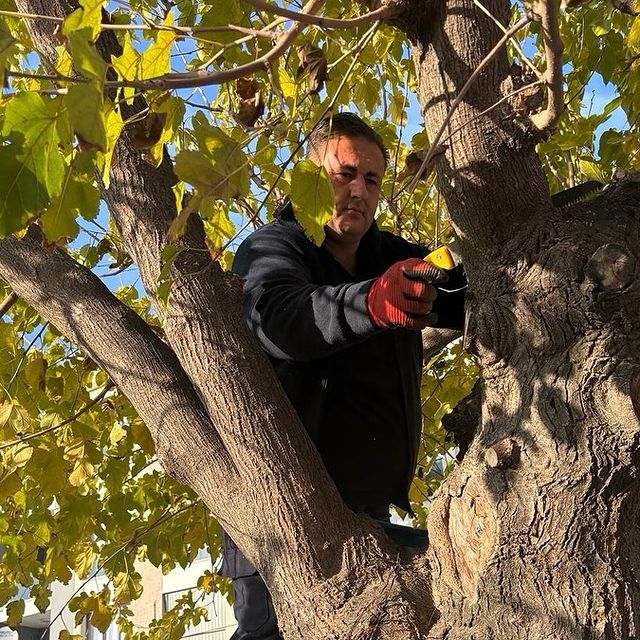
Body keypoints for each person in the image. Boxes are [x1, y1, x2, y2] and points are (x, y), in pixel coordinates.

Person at [222, 113, 466, 640]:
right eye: (344, 174)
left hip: (367, 515)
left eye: (372, 180)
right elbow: (282, 318)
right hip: (279, 524)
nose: (358, 190)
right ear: (308, 177)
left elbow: (469, 295)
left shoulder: (394, 255)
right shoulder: (273, 247)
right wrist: (372, 302)